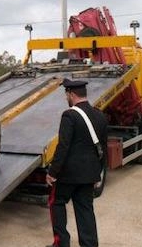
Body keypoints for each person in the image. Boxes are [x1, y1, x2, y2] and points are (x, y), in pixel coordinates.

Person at [45, 78, 108, 247]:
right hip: (89, 174)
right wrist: (98, 173)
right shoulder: (100, 115)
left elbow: (63, 146)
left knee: (56, 203)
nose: (66, 98)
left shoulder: (69, 115)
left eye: (66, 95)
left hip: (68, 175)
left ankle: (61, 243)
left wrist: (52, 172)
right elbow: (103, 148)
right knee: (85, 209)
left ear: (71, 94)